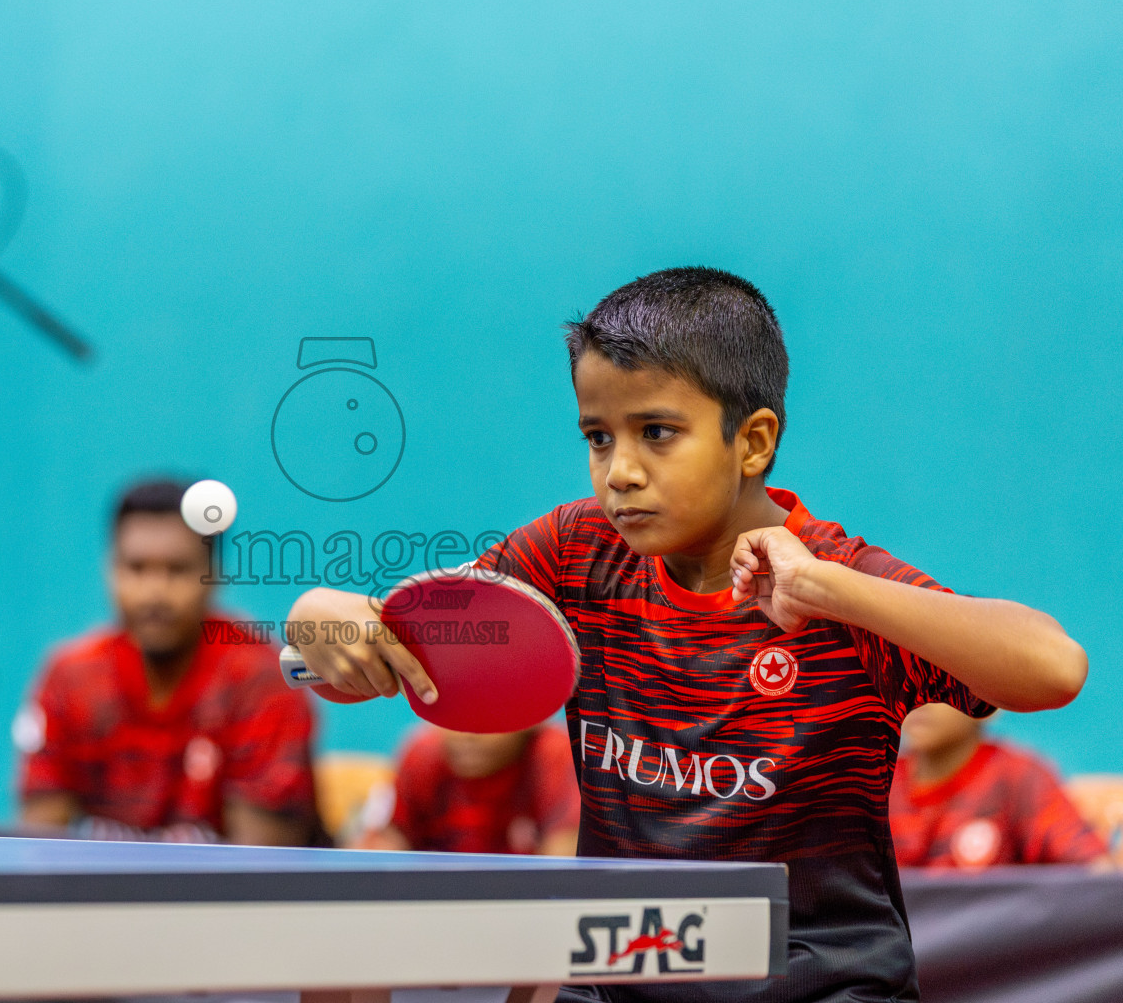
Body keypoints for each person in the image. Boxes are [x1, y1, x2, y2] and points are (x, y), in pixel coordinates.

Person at [286, 268, 1087, 1003]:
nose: (620, 472)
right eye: (598, 437)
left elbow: (1053, 667)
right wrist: (319, 613)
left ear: (754, 442)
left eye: (656, 433)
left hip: (816, 982)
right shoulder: (575, 552)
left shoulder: (837, 578)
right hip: (619, 975)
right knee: (342, 960)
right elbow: (393, 621)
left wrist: (832, 591)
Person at [17, 478, 319, 846]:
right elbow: (38, 845)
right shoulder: (69, 678)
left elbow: (261, 872)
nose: (155, 592)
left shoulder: (262, 680)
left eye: (177, 569)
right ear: (111, 570)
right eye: (137, 568)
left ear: (214, 575)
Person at [890, 702, 1105, 868]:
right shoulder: (875, 782)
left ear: (988, 701)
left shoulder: (1018, 776)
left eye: (942, 679)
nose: (920, 698)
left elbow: (1093, 873)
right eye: (909, 677)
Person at [363, 723, 579, 855]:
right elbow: (386, 845)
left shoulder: (553, 754)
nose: (467, 735)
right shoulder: (422, 756)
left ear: (533, 719)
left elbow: (563, 866)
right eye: (453, 715)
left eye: (490, 716)